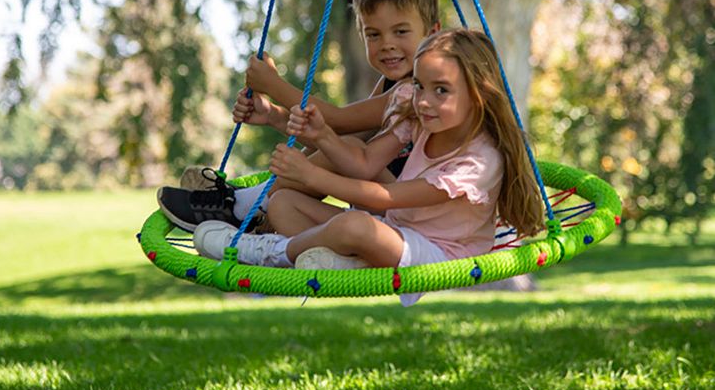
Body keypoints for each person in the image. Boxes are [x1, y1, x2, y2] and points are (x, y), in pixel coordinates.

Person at [191, 28, 545, 305]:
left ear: (479, 94)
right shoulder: (420, 117)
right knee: (284, 204)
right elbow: (364, 163)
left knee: (356, 226)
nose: (424, 101)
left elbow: (386, 197)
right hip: (397, 231)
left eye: (441, 91)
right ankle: (348, 262)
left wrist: (311, 174)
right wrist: (323, 136)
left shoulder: (480, 161)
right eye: (419, 85)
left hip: (440, 255)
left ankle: (266, 252)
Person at [157, 0, 440, 232]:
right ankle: (254, 207)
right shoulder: (391, 83)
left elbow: (339, 121)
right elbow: (333, 138)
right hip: (383, 208)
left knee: (349, 147)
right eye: (374, 34)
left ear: (433, 33)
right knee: (294, 192)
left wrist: (273, 85)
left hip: (410, 209)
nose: (387, 44)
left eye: (400, 31)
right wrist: (273, 115)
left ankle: (241, 208)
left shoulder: (417, 90)